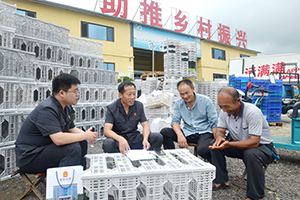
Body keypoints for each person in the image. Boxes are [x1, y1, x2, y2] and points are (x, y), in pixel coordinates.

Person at [15, 73, 98, 173]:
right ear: (62, 93)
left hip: (46, 149)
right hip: (30, 157)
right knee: (72, 148)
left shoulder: (66, 106)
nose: (78, 95)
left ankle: (79, 177)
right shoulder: (47, 109)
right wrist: (84, 135)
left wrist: (88, 135)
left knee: (81, 142)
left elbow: (71, 129)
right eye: (75, 92)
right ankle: (66, 185)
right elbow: (58, 139)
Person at [209, 86, 278, 200]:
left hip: (263, 148)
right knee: (214, 145)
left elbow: (254, 142)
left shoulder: (252, 112)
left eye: (226, 106)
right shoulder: (224, 112)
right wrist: (219, 138)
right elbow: (219, 131)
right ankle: (221, 181)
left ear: (238, 101)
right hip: (241, 146)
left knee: (251, 153)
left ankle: (256, 196)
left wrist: (229, 144)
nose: (224, 110)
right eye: (221, 106)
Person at [160, 79, 218, 162]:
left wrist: (216, 140)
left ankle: (215, 165)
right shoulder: (178, 103)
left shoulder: (205, 101)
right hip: (188, 131)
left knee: (202, 150)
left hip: (204, 132)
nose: (185, 96)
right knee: (164, 132)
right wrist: (180, 134)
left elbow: (214, 122)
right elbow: (175, 121)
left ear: (193, 89)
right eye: (182, 94)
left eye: (187, 93)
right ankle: (172, 160)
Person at [102, 81, 163, 155]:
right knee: (108, 143)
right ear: (120, 95)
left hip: (134, 137)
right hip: (119, 140)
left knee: (157, 137)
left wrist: (145, 139)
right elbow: (107, 131)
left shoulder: (139, 106)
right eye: (129, 94)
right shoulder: (112, 108)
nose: (132, 97)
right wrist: (120, 139)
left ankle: (149, 157)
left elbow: (145, 125)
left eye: (134, 94)